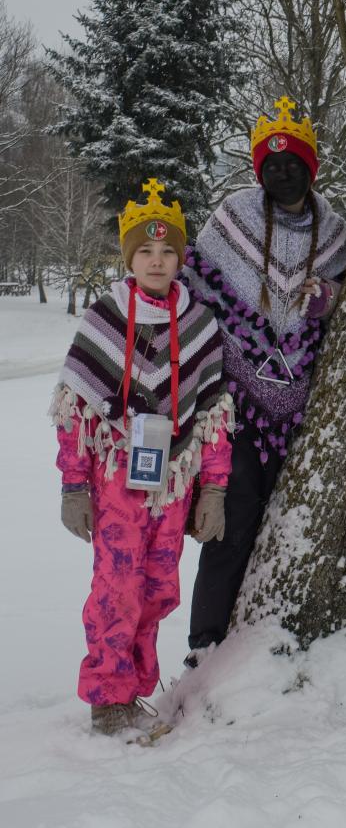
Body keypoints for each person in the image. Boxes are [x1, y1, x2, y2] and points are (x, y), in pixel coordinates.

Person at [52, 179, 235, 735]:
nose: (157, 261)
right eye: (146, 251)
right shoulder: (104, 319)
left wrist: (215, 488)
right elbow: (76, 412)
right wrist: (74, 486)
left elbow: (214, 416)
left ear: (181, 258)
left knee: (158, 589)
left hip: (172, 486)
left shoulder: (200, 325)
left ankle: (133, 688)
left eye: (167, 251)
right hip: (116, 482)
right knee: (117, 587)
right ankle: (108, 698)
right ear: (129, 257)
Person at [180, 96, 346, 661]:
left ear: (311, 168)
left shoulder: (334, 232)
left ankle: (266, 643)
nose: (282, 172)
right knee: (231, 522)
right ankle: (205, 643)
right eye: (271, 164)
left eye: (292, 163)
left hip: (303, 407)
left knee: (285, 528)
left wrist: (328, 299)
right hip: (234, 404)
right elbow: (198, 288)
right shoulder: (233, 218)